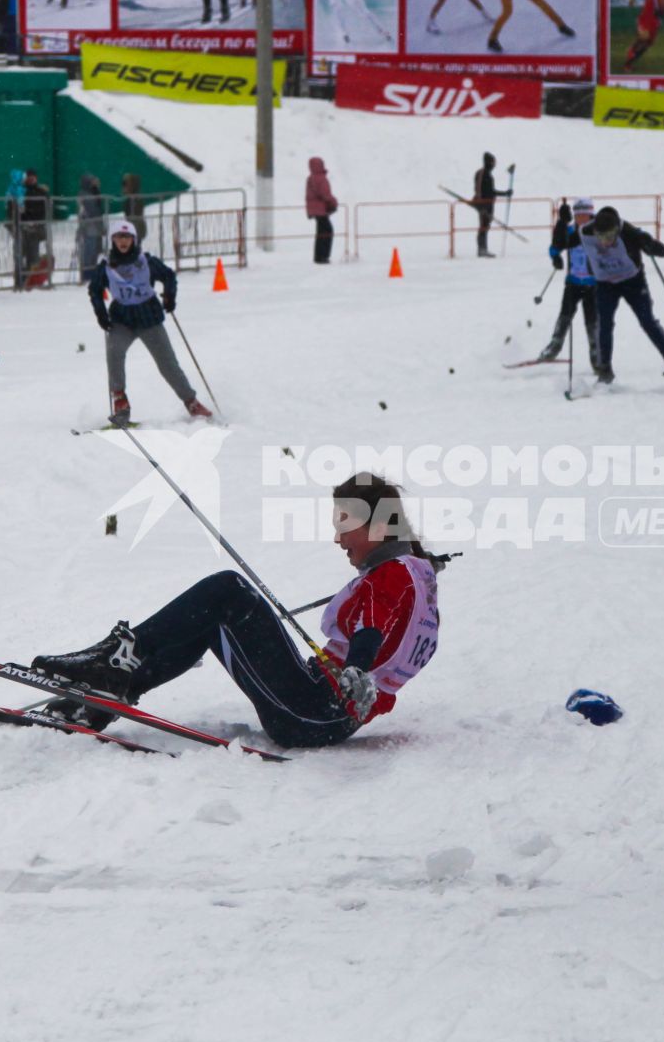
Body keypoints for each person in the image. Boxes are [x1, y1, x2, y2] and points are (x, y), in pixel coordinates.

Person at [28, 472, 443, 748]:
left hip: (313, 710)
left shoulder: (390, 577)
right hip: (324, 711)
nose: (337, 538)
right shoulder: (414, 571)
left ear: (375, 525)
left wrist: (357, 667)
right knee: (214, 621)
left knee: (228, 589)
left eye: (343, 524)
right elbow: (393, 617)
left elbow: (371, 627)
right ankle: (111, 691)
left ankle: (114, 663)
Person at [85, 217, 211, 426]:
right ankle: (120, 402)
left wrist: (169, 296)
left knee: (167, 363)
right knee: (114, 353)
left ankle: (191, 402)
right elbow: (94, 289)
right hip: (122, 318)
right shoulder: (107, 266)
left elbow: (168, 275)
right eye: (118, 237)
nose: (123, 242)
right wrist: (101, 314)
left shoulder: (146, 261)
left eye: (127, 237)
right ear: (113, 240)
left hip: (148, 317)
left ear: (134, 239)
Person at [580, 205, 664, 384]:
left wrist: (649, 244)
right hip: (605, 285)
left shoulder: (629, 232)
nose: (604, 242)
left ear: (617, 230)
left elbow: (662, 251)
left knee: (647, 320)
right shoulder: (586, 232)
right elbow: (568, 240)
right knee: (604, 324)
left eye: (609, 236)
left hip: (633, 281)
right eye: (600, 236)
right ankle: (605, 370)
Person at [541, 197, 600, 370]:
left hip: (593, 284)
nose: (581, 218)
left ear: (591, 215)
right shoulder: (569, 230)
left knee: (592, 320)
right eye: (578, 215)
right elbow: (555, 246)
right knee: (564, 316)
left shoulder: (597, 231)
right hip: (573, 282)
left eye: (585, 215)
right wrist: (556, 257)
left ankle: (597, 355)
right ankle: (554, 347)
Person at [471, 152, 510, 259]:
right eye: (493, 162)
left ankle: (482, 248)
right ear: (489, 162)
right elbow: (489, 191)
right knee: (484, 226)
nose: (494, 164)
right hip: (484, 204)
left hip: (486, 203)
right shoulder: (484, 174)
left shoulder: (483, 173)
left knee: (485, 226)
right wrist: (505, 193)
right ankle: (482, 249)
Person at [305, 157, 337, 265]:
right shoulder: (321, 178)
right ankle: (323, 256)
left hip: (314, 210)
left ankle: (318, 256)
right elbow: (325, 195)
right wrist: (334, 202)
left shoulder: (310, 178)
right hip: (321, 209)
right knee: (327, 232)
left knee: (320, 233)